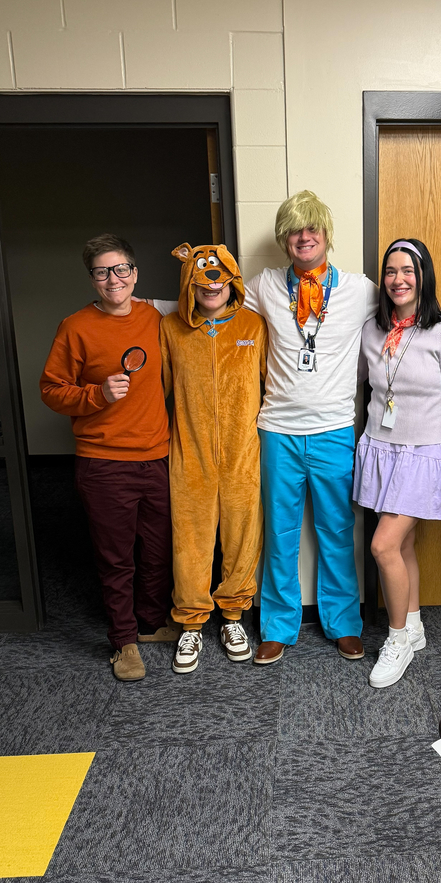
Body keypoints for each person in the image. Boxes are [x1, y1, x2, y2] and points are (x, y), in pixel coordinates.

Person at [242, 191, 379, 665]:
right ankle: (278, 626)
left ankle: (344, 623)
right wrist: (145, 305)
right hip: (276, 431)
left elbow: (410, 309)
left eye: (312, 228)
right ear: (284, 239)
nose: (304, 237)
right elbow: (211, 303)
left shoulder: (359, 289)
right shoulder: (264, 285)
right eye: (294, 231)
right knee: (279, 534)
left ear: (326, 234)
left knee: (337, 531)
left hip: (334, 431)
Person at [40, 234, 178, 681]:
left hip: (158, 457)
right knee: (117, 558)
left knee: (158, 551)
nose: (113, 279)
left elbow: (203, 307)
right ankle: (124, 641)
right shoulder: (75, 326)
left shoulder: (155, 317)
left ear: (134, 273)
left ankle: (150, 623)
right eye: (102, 272)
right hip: (103, 463)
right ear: (92, 279)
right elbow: (51, 390)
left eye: (120, 269)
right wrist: (96, 394)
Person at [354, 239, 441, 688]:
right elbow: (359, 386)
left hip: (422, 456)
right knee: (402, 547)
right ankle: (415, 624)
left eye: (408, 271)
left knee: (382, 547)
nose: (398, 279)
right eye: (391, 271)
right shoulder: (372, 329)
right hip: (380, 449)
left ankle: (398, 638)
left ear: (424, 277)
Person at [161, 242, 267, 674]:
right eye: (202, 274)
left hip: (242, 455)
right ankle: (190, 623)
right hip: (191, 455)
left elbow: (274, 384)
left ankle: (233, 616)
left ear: (232, 279)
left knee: (243, 537)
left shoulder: (254, 326)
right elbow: (158, 391)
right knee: (190, 541)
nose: (211, 283)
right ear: (189, 280)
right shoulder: (170, 329)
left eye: (219, 274)